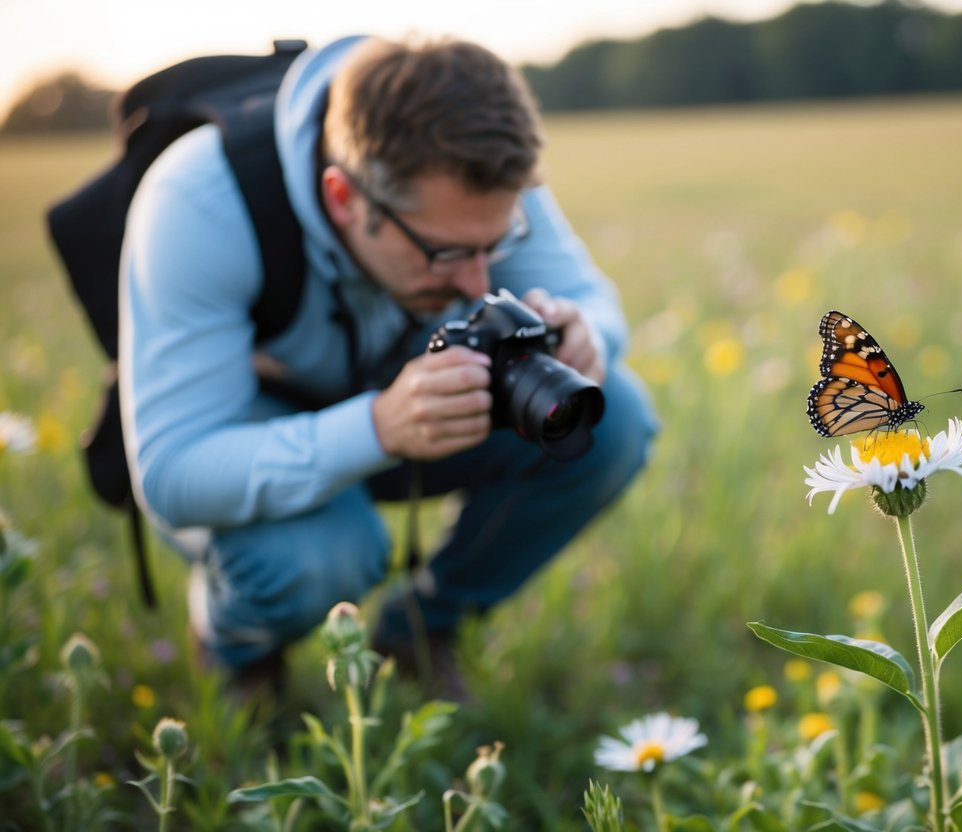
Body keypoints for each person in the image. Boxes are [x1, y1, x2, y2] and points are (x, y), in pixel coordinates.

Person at [118, 34, 657, 696]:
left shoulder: (476, 170)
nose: (476, 281)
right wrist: (377, 427)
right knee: (320, 558)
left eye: (497, 242)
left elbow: (592, 302)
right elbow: (172, 474)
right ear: (344, 197)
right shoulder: (199, 200)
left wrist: (585, 336)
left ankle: (421, 632)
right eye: (444, 253)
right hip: (250, 434)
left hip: (405, 411)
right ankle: (238, 650)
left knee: (610, 419)